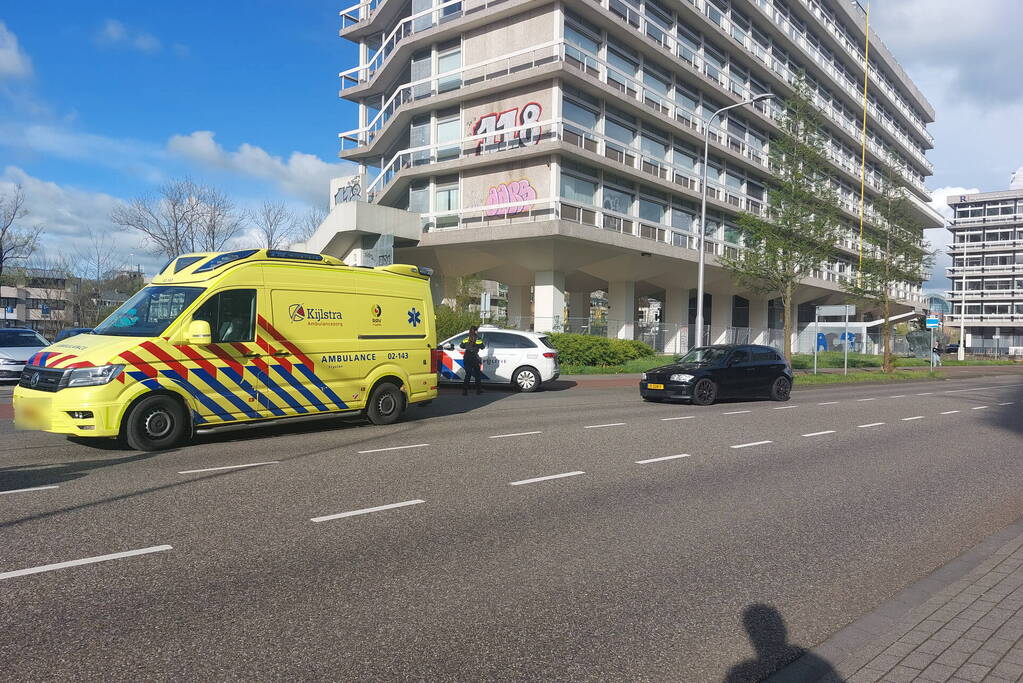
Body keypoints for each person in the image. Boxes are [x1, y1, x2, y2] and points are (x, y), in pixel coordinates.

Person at [460, 325, 486, 395]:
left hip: (467, 357)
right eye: (477, 330)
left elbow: (461, 346)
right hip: (474, 358)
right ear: (475, 331)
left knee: (468, 374)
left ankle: (464, 391)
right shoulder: (478, 339)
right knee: (477, 374)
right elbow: (483, 347)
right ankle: (478, 390)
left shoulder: (466, 338)